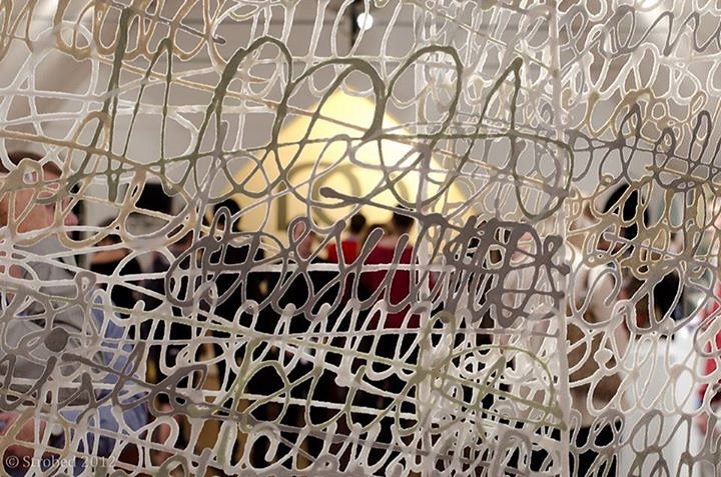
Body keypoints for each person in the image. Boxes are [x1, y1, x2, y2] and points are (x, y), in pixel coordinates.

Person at [0, 151, 147, 475]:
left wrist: (55, 430)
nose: (73, 221)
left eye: (71, 207)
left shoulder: (96, 306)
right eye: (52, 205)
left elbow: (133, 415)